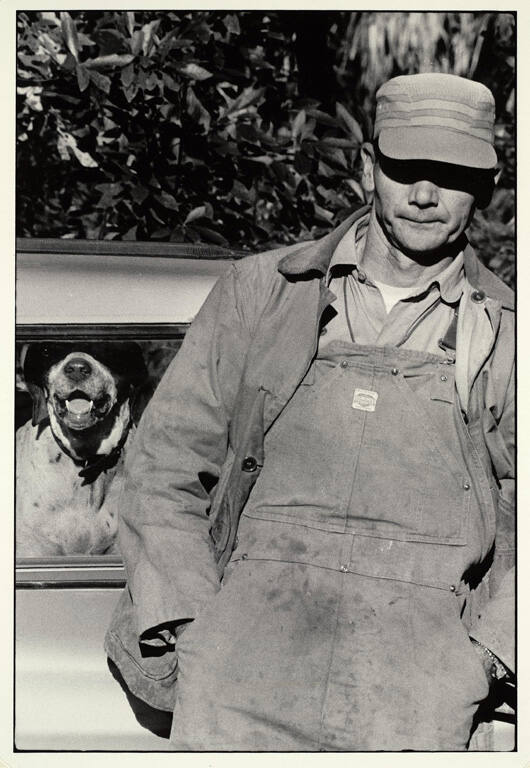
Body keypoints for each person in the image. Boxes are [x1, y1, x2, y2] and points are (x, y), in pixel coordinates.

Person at [105, 73, 514, 751]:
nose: (424, 195)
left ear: (486, 189)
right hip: (238, 679)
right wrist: (196, 624)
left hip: (416, 702)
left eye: (451, 175)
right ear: (367, 168)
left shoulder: (507, 335)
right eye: (406, 168)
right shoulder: (264, 294)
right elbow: (163, 466)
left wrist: (486, 656)